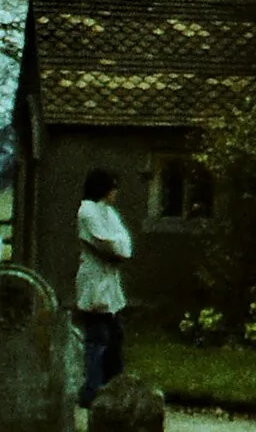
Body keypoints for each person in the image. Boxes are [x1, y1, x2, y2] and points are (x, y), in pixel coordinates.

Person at [76, 166, 132, 406]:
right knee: (98, 340)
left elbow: (124, 242)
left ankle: (114, 388)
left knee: (115, 338)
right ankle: (93, 391)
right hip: (95, 280)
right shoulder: (87, 212)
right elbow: (106, 242)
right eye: (113, 187)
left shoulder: (110, 213)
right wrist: (117, 249)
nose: (115, 193)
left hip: (110, 283)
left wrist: (119, 250)